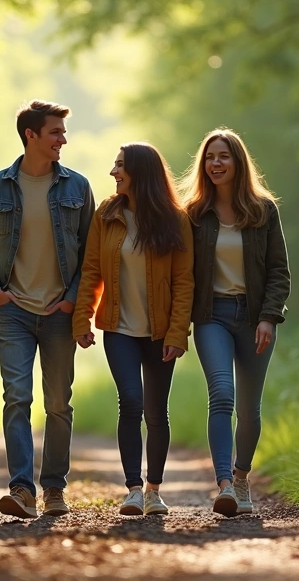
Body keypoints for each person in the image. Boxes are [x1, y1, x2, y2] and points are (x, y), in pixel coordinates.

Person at [0, 99, 95, 519]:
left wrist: (75, 300)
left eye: (63, 131)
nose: (63, 138)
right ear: (31, 136)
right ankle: (21, 489)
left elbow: (92, 255)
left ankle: (54, 489)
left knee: (58, 403)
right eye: (55, 131)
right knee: (17, 398)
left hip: (60, 312)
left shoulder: (77, 186)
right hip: (13, 311)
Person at [73, 142, 193, 516]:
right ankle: (133, 489)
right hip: (119, 328)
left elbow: (184, 282)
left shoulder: (176, 220)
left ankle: (155, 489)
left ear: (141, 172)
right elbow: (91, 270)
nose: (113, 172)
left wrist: (177, 334)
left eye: (120, 165)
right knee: (132, 402)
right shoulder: (106, 215)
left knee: (157, 412)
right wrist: (82, 318)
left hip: (160, 333)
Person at [179, 128, 290, 517]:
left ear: (238, 162)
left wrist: (268, 317)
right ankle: (225, 484)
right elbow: (179, 271)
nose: (215, 164)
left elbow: (279, 271)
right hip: (212, 317)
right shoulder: (194, 215)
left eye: (223, 156)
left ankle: (243, 478)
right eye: (210, 157)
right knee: (222, 395)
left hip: (255, 317)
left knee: (250, 408)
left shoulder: (263, 211)